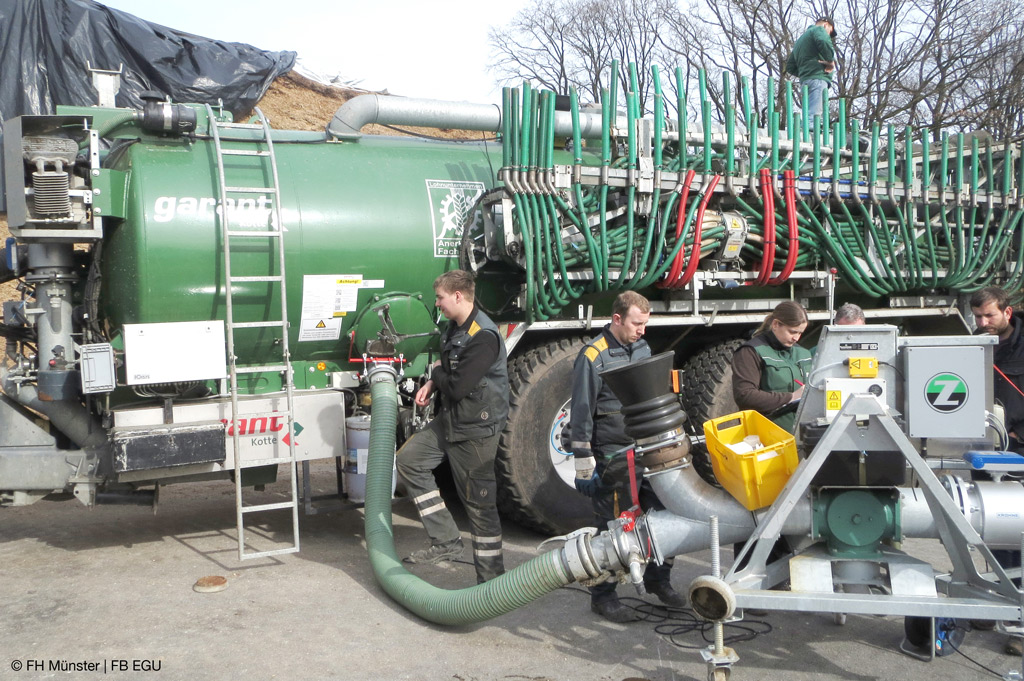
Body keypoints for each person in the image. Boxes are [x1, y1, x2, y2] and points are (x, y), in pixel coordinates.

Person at [570, 291, 687, 622]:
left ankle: (658, 583)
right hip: (613, 455)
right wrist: (583, 464)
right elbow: (581, 412)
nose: (642, 331)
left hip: (648, 450)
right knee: (612, 526)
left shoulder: (643, 348)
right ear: (617, 319)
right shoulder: (593, 356)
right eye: (637, 324)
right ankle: (603, 596)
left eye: (646, 324)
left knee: (662, 516)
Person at [396, 270, 509, 584]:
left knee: (479, 506)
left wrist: (437, 373)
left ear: (458, 296)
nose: (437, 303)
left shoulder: (483, 336)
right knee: (409, 461)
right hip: (451, 420)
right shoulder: (452, 328)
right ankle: (446, 541)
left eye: (440, 298)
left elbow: (458, 386)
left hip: (476, 430)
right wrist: (432, 381)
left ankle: (492, 583)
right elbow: (449, 372)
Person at [970, 286, 1024, 655]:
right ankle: (993, 600)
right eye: (977, 316)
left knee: (1018, 531)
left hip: (1019, 448)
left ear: (1007, 312)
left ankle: (1019, 625)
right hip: (986, 449)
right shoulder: (976, 342)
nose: (983, 322)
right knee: (989, 526)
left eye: (989, 315)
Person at [732, 301, 813, 433]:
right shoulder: (750, 352)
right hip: (765, 436)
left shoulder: (803, 353)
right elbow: (745, 396)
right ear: (775, 324)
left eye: (800, 333)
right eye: (792, 332)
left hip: (802, 435)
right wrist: (791, 397)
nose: (796, 338)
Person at [785, 17, 837, 122]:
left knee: (809, 112)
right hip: (818, 78)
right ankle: (812, 132)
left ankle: (807, 129)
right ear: (826, 25)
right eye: (830, 32)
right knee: (813, 118)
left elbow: (790, 66)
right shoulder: (819, 30)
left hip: (806, 80)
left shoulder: (801, 40)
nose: (829, 35)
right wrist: (830, 61)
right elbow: (823, 40)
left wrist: (806, 72)